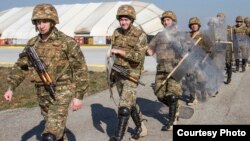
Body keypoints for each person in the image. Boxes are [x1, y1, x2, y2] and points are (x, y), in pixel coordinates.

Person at [3, 3, 89, 141]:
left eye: (44, 21)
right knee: (57, 133)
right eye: (37, 22)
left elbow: (81, 69)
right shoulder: (32, 44)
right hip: (42, 92)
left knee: (50, 135)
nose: (40, 25)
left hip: (62, 90)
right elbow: (21, 66)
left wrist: (79, 96)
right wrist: (11, 88)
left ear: (53, 21)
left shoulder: (67, 42)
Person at [109, 4, 148, 141]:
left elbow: (138, 57)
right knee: (129, 102)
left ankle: (118, 137)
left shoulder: (140, 35)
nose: (123, 22)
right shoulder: (116, 32)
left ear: (132, 19)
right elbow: (113, 51)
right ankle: (140, 127)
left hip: (132, 73)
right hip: (118, 71)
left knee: (124, 107)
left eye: (126, 19)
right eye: (121, 19)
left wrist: (120, 52)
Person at [147, 10, 182, 131]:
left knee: (172, 96)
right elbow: (150, 49)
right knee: (159, 94)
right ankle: (176, 107)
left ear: (173, 21)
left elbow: (189, 51)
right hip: (161, 69)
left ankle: (172, 122)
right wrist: (147, 51)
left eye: (168, 20)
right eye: (164, 20)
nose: (166, 22)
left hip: (176, 68)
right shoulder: (159, 35)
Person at [185, 17, 211, 105]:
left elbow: (209, 48)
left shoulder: (203, 35)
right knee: (189, 79)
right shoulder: (187, 35)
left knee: (200, 79)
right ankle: (193, 97)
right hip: (189, 60)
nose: (194, 26)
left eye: (195, 24)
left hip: (200, 59)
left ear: (199, 25)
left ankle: (204, 92)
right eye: (192, 25)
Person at [216, 13, 233, 84]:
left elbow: (232, 38)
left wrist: (233, 48)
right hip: (219, 47)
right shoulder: (215, 27)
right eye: (219, 18)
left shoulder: (229, 28)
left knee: (228, 63)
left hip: (228, 47)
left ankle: (229, 78)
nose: (220, 19)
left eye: (222, 18)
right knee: (218, 64)